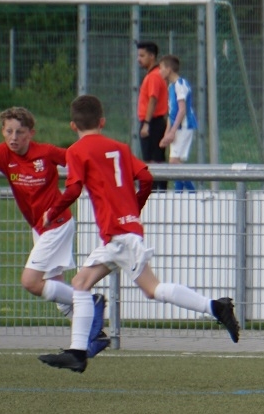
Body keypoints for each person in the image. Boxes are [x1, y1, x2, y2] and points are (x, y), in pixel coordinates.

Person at [38, 95, 240, 373]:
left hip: (119, 235)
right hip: (123, 232)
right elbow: (145, 178)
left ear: (73, 126)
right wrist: (134, 207)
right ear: (102, 122)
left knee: (148, 288)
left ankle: (215, 307)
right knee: (83, 283)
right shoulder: (119, 148)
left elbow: (73, 189)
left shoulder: (76, 151)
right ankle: (78, 351)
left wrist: (52, 212)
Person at [0, 108, 108, 355]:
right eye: (9, 131)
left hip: (57, 224)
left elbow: (77, 159)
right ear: (3, 131)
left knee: (31, 282)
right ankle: (93, 336)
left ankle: (88, 300)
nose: (14, 137)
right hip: (40, 228)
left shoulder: (45, 152)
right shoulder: (2, 154)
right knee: (56, 292)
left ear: (31, 133)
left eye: (20, 132)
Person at [158, 54, 198, 193]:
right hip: (177, 127)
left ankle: (192, 192)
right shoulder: (171, 86)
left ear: (169, 69)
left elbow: (182, 110)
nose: (160, 71)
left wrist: (173, 131)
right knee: (175, 161)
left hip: (184, 126)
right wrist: (167, 133)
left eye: (161, 68)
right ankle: (179, 193)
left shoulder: (181, 85)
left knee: (174, 162)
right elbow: (172, 113)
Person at [136, 40, 169, 191]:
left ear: (152, 56)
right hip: (154, 122)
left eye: (142, 56)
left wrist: (147, 123)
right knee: (155, 158)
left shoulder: (154, 76)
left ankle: (155, 190)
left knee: (153, 160)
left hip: (153, 123)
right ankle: (157, 189)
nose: (139, 59)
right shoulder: (153, 75)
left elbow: (153, 99)